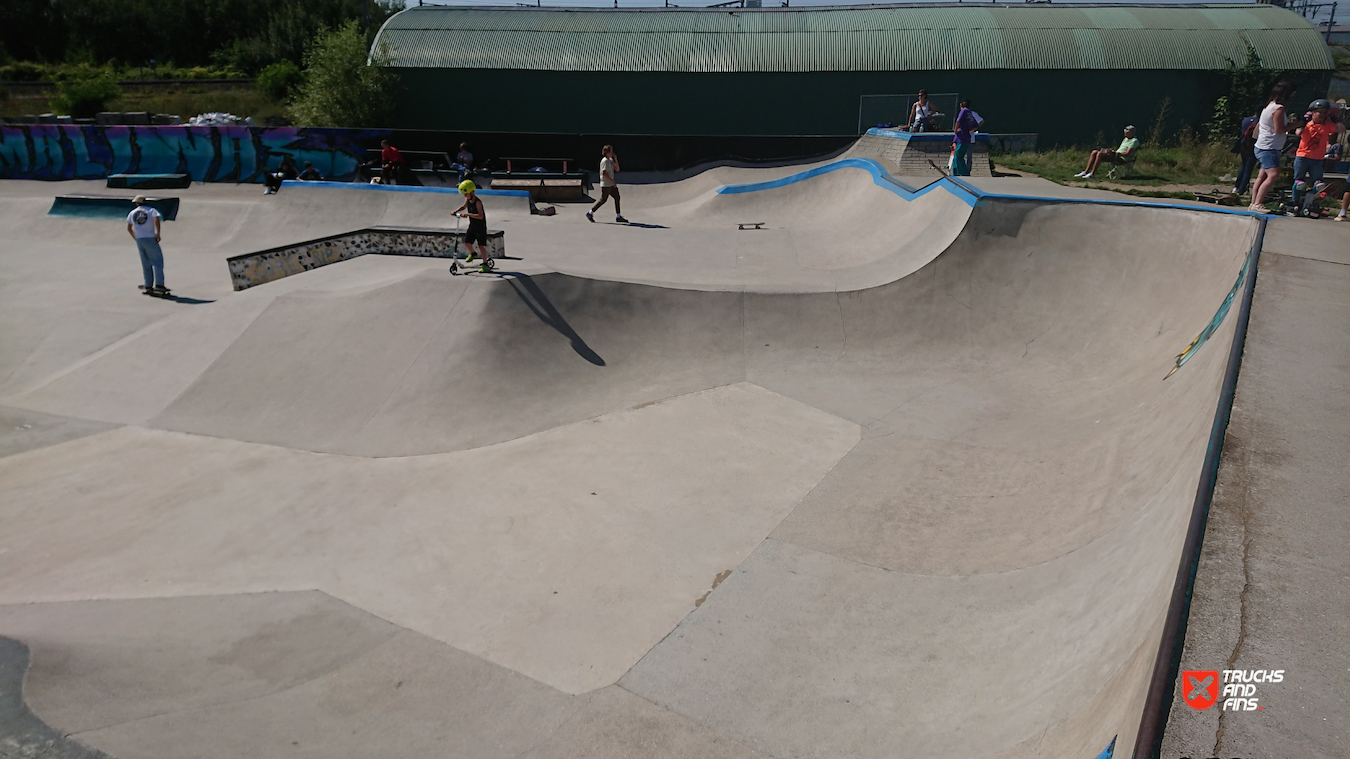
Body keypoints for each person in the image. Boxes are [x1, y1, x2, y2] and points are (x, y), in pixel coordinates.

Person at [1249, 80, 1297, 214]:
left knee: (1262, 175)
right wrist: (1296, 124)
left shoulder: (1269, 106)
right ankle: (1258, 203)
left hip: (1264, 145)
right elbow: (1279, 129)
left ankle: (1253, 202)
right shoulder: (1279, 109)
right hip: (1269, 147)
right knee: (1273, 174)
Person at [1289, 99, 1336, 216]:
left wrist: (1332, 118)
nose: (1321, 115)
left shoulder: (1327, 125)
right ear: (1313, 113)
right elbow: (1298, 132)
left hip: (1317, 159)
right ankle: (1295, 203)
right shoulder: (1307, 125)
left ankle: (1308, 202)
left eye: (1324, 112)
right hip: (1303, 156)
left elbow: (1340, 129)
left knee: (1319, 185)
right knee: (1299, 183)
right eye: (1318, 112)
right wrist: (1304, 122)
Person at [125, 196, 168, 296]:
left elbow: (128, 228)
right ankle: (159, 284)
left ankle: (148, 285)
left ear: (137, 203)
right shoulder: (152, 210)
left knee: (146, 264)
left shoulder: (132, 213)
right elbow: (157, 220)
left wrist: (135, 237)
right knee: (157, 262)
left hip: (140, 240)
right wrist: (158, 234)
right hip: (150, 238)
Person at [452, 179, 491, 272]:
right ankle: (473, 254)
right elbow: (463, 207)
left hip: (480, 227)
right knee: (467, 242)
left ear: (472, 191)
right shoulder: (467, 199)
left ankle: (485, 265)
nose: (465, 196)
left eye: (466, 193)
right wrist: (455, 211)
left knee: (481, 246)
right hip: (472, 225)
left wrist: (467, 215)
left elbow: (480, 216)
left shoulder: (478, 202)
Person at [1074, 125, 1139, 180]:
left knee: (1100, 154)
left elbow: (1127, 154)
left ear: (1132, 133)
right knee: (1094, 152)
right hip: (1116, 155)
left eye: (1127, 133)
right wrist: (1111, 151)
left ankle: (1092, 174)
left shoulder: (1134, 141)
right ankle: (1086, 172)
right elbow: (1120, 150)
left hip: (1122, 159)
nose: (1125, 134)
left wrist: (1115, 153)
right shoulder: (1126, 139)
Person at [587, 145, 627, 223]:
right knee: (603, 200)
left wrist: (615, 159)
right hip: (606, 185)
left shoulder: (611, 160)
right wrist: (612, 181)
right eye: (610, 151)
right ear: (607, 152)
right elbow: (603, 173)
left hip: (611, 185)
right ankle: (590, 213)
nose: (612, 153)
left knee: (617, 197)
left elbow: (617, 169)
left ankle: (618, 216)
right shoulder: (604, 161)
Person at [951, 100, 983, 177]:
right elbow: (976, 125)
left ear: (962, 106)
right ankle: (956, 172)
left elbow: (958, 121)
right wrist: (970, 130)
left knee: (958, 156)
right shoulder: (970, 113)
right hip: (967, 137)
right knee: (957, 156)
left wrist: (955, 130)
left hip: (961, 138)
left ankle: (963, 172)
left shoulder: (964, 111)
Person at [1231, 114, 1259, 195]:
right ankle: (1242, 189)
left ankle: (1236, 186)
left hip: (1243, 145)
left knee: (1243, 166)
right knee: (1248, 169)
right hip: (1252, 146)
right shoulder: (1259, 122)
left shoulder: (1245, 120)